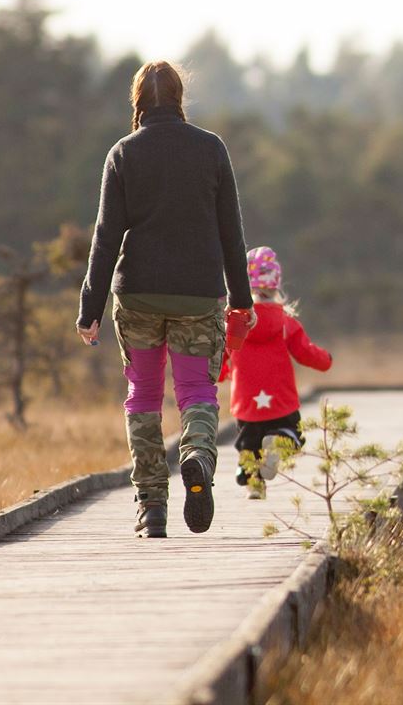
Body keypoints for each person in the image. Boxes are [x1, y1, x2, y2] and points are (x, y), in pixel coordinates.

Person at [76, 61, 256, 540]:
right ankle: (196, 455)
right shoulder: (211, 149)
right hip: (198, 295)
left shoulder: (123, 153)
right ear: (179, 98)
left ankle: (151, 505)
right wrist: (242, 299)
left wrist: (90, 308)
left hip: (137, 294)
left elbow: (106, 236)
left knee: (144, 396)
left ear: (137, 101)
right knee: (196, 392)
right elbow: (231, 233)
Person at [221, 246, 333, 497]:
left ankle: (254, 485)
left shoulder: (236, 323)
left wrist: (217, 374)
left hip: (247, 400)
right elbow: (305, 352)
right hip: (280, 399)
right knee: (290, 435)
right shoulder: (285, 322)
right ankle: (279, 440)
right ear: (276, 285)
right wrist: (326, 360)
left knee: (249, 447)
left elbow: (222, 354)